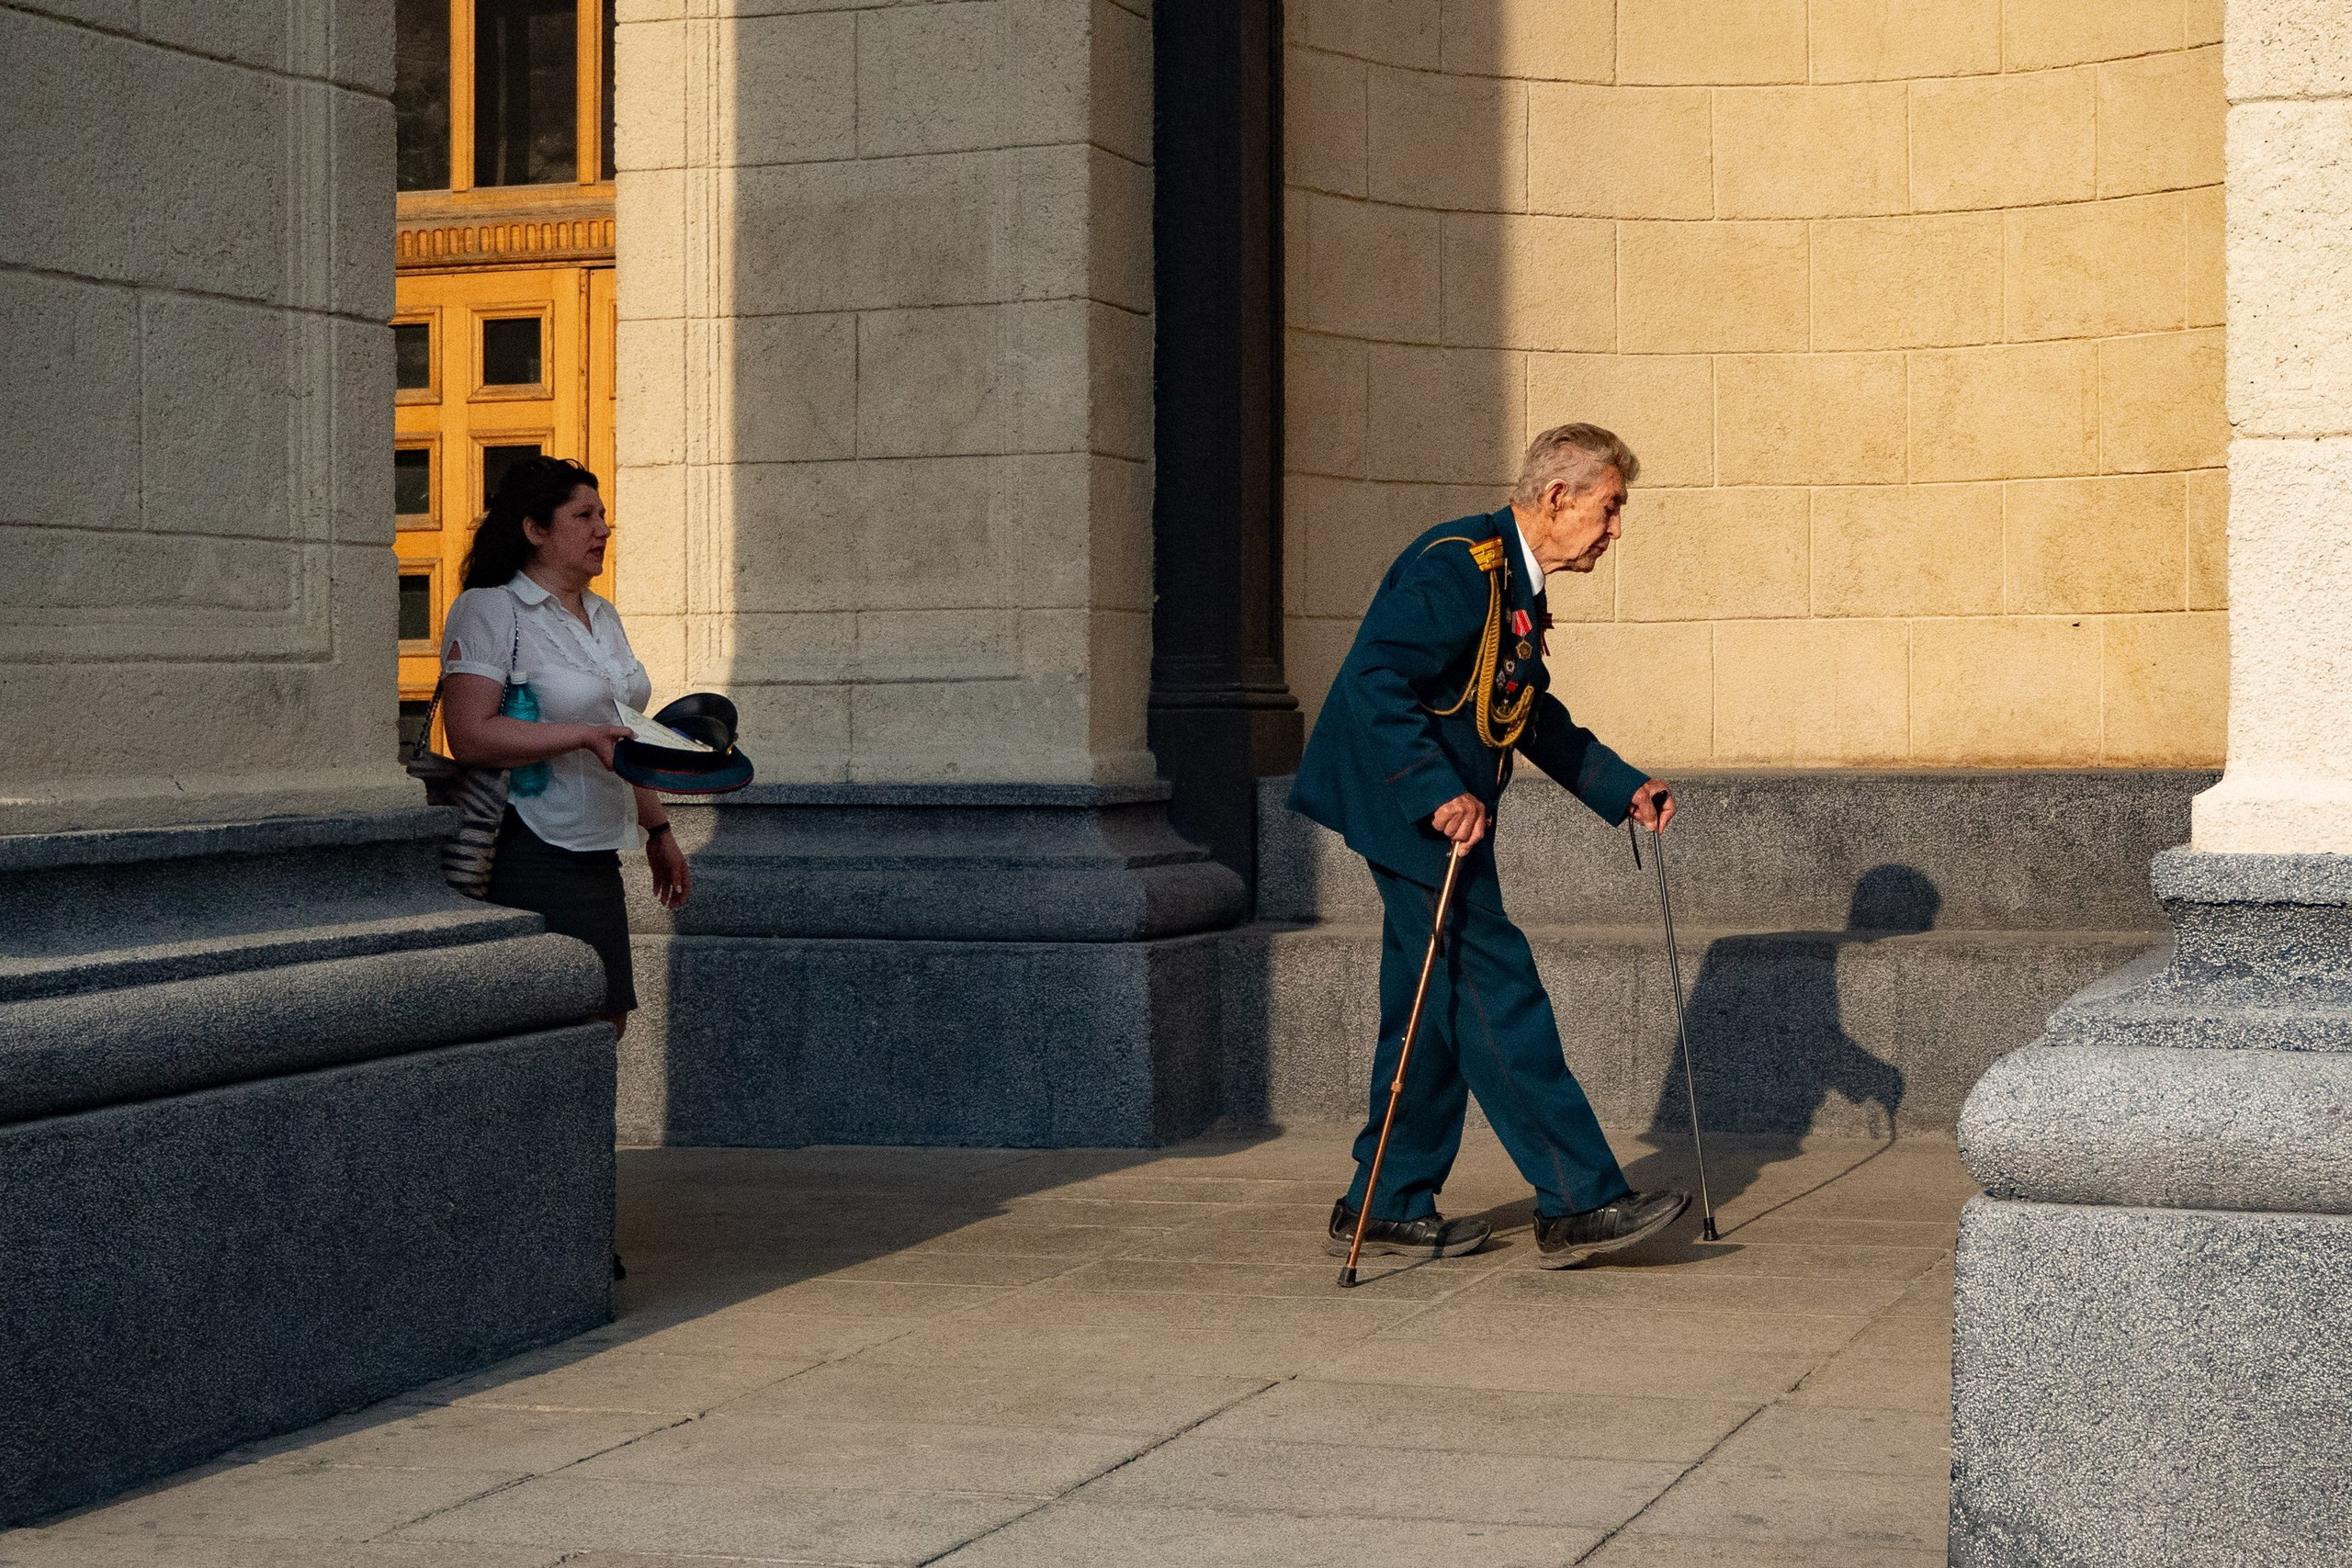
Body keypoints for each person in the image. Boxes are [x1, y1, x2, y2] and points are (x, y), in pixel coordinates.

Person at [1289, 423, 1690, 1269]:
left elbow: (1526, 710)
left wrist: (1624, 789)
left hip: (1442, 812)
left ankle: (1386, 1199)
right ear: (1559, 498)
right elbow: (1373, 681)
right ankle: (1580, 1199)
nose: (1617, 529)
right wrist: (1437, 794)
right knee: (1494, 987)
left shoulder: (1513, 576)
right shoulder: (1456, 566)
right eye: (1611, 508)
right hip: (1406, 807)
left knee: (1430, 1000)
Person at [439, 456, 690, 1035]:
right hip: (528, 840)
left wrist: (658, 830)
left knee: (606, 1019)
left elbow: (623, 732)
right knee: (557, 1024)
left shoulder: (603, 615)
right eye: (584, 515)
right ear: (534, 529)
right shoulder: (492, 608)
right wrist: (578, 735)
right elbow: (471, 734)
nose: (603, 529)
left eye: (603, 515)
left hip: (598, 843)